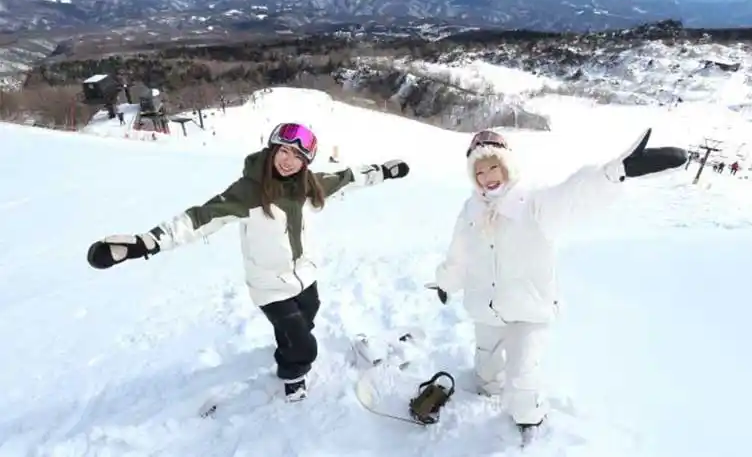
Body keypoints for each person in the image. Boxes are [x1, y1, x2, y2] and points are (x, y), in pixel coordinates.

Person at [86, 122, 410, 402]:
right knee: (305, 347)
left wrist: (384, 171)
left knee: (306, 318)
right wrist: (147, 242)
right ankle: (292, 374)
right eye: (284, 151)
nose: (288, 160)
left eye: (298, 156)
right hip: (269, 286)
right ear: (272, 149)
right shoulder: (249, 192)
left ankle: (288, 346)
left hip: (304, 277)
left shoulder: (308, 187)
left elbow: (347, 178)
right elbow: (199, 218)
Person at [427, 128, 686, 437]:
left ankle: (530, 425)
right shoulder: (471, 209)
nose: (487, 176)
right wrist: (447, 280)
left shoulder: (533, 202)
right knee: (486, 367)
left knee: (523, 377)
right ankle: (486, 393)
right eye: (479, 171)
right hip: (485, 306)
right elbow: (460, 251)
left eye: (493, 166)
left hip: (529, 307)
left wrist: (615, 172)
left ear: (507, 165)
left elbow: (573, 195)